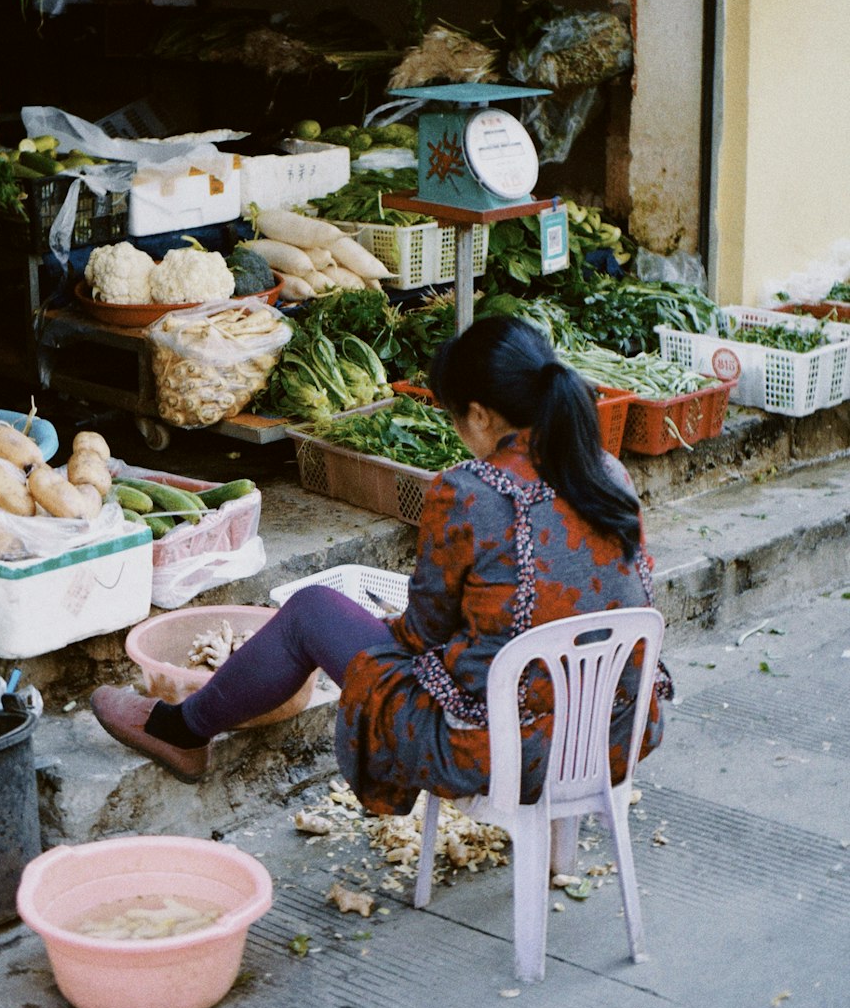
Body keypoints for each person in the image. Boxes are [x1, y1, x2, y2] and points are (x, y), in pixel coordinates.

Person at [90, 315, 668, 812]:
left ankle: (179, 730)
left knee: (311, 611)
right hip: (614, 734)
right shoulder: (607, 473)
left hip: (498, 752)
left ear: (481, 416)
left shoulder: (470, 492)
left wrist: (383, 628)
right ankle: (185, 726)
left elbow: (422, 635)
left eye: (455, 420)